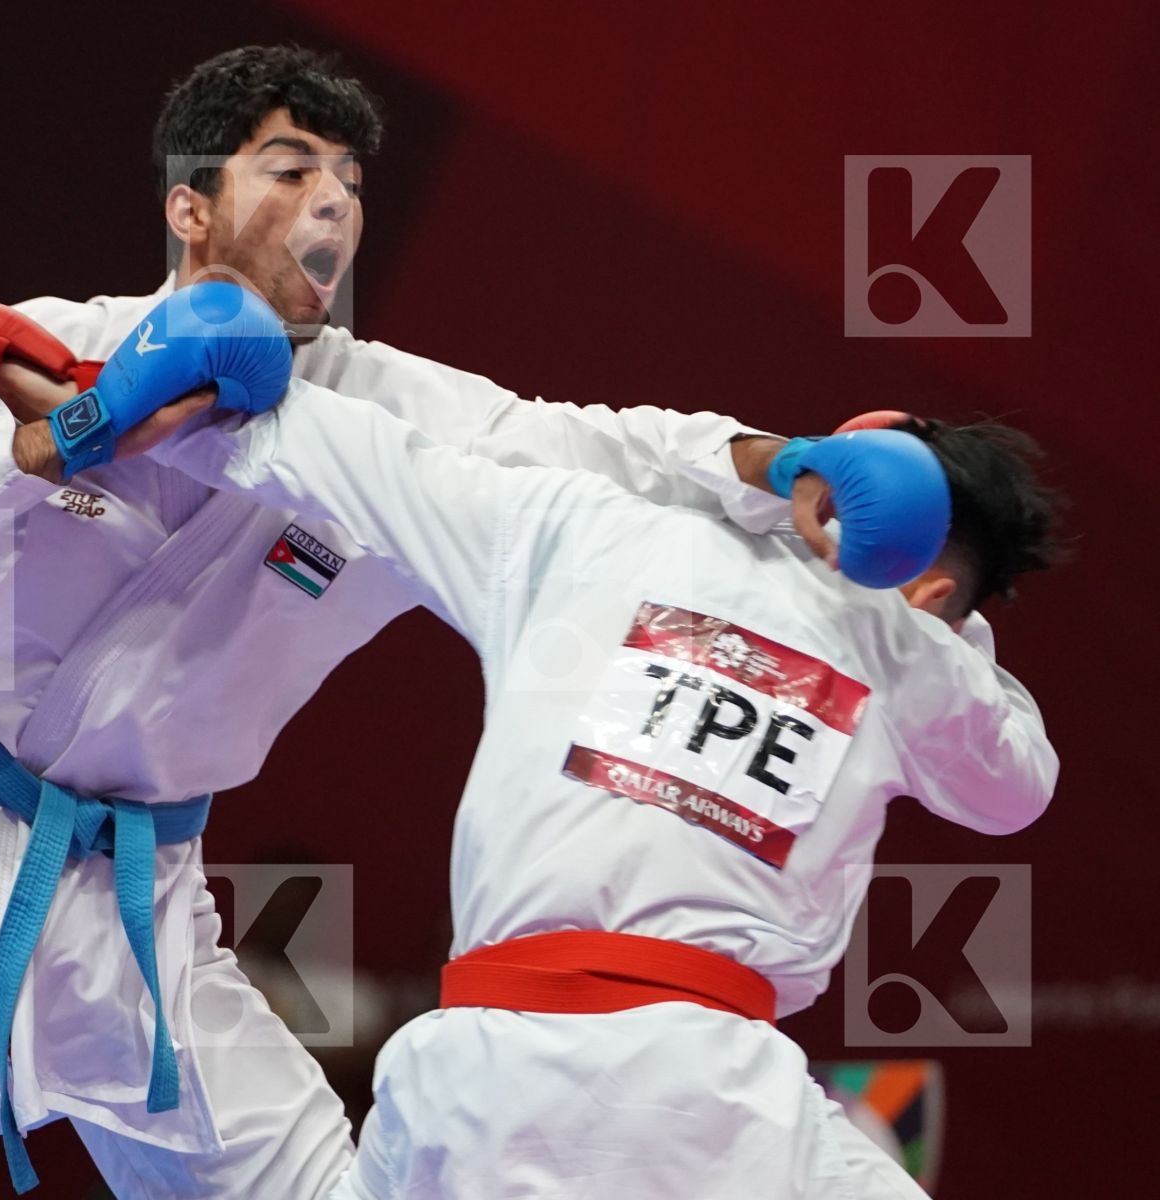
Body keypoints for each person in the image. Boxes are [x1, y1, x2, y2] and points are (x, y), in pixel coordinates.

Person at [0, 46, 951, 1199]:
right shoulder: (60, 345)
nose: (332, 209)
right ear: (190, 207)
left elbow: (606, 450)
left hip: (147, 923)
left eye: (350, 182)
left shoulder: (397, 420)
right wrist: (76, 435)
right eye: (291, 172)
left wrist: (786, 465)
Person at [141, 379, 1062, 1198]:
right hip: (705, 1094)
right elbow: (1016, 785)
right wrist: (933, 623)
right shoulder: (915, 661)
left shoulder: (593, 523)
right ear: (942, 595)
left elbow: (352, 452)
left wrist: (144, 380)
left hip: (492, 1077)